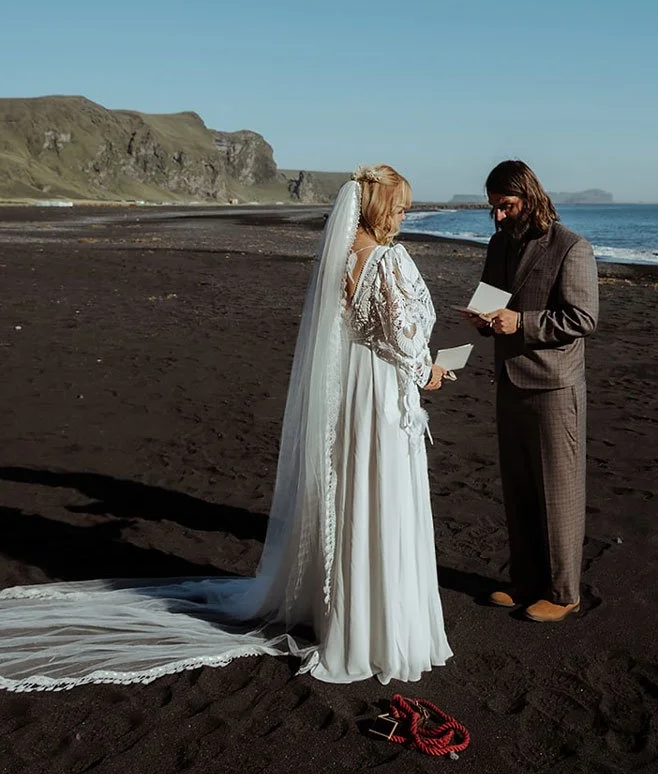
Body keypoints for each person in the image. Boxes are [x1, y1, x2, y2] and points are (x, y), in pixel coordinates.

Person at [0, 165, 452, 690]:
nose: (403, 215)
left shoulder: (341, 255)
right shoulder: (385, 258)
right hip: (375, 390)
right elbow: (402, 336)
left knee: (353, 493)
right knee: (382, 493)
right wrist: (430, 372)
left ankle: (348, 614)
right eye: (398, 206)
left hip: (349, 391)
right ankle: (380, 626)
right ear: (375, 205)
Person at [467, 160, 599, 623]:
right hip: (508, 378)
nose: (498, 217)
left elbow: (583, 319)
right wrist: (481, 318)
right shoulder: (499, 243)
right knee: (519, 488)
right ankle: (524, 582)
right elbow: (491, 300)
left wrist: (521, 323)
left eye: (504, 207)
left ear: (528, 197)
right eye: (493, 210)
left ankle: (564, 594)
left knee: (558, 492)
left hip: (554, 386)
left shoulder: (571, 247)